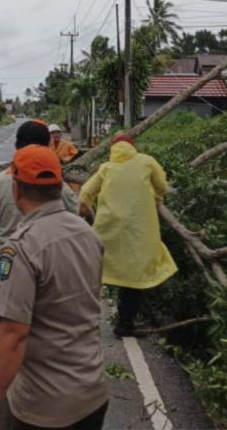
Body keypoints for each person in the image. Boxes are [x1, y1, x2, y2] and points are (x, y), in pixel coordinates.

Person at [0, 145, 107, 430]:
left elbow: (13, 336)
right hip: (93, 393)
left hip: (44, 407)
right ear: (60, 186)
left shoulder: (21, 249)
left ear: (16, 190)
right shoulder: (88, 235)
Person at [0, 120, 79, 313]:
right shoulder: (56, 183)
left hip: (7, 266)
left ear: (16, 146)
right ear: (48, 145)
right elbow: (75, 218)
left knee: (7, 327)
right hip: (49, 265)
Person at [79, 132, 177, 337]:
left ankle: (82, 322)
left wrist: (86, 216)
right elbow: (161, 185)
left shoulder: (106, 168)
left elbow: (85, 193)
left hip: (107, 229)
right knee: (134, 278)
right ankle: (125, 325)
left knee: (97, 273)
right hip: (138, 231)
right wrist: (157, 198)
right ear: (133, 146)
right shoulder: (147, 162)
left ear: (112, 149)